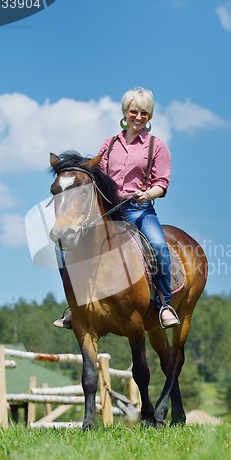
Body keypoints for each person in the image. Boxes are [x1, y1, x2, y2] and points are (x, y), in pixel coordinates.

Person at [53, 87, 179, 329]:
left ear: (149, 116)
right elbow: (96, 175)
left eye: (145, 113)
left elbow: (162, 183)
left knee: (159, 246)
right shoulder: (109, 144)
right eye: (134, 111)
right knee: (64, 249)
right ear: (125, 112)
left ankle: (164, 303)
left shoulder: (157, 145)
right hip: (109, 212)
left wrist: (146, 194)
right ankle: (75, 305)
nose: (139, 117)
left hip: (139, 210)